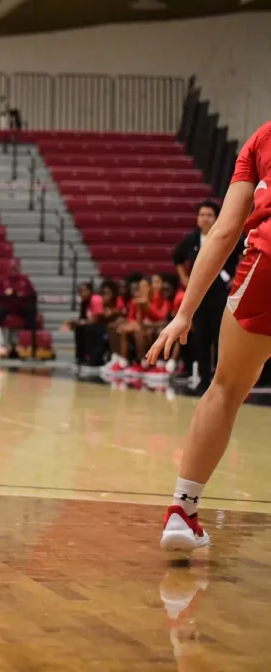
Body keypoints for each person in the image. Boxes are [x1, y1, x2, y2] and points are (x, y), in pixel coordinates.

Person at [148, 121, 271, 556]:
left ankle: (182, 512)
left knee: (225, 388)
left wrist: (184, 314)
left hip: (266, 263)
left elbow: (222, 233)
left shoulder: (261, 138)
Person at [173, 200, 243, 382]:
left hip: (221, 293)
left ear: (216, 218)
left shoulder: (227, 235)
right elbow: (177, 259)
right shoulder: (191, 239)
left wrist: (237, 276)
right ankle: (203, 379)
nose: (205, 219)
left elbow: (245, 253)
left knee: (220, 336)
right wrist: (184, 278)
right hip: (199, 295)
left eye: (209, 215)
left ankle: (222, 380)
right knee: (201, 337)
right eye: (202, 215)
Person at [64, 282, 107, 367]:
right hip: (92, 325)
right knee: (79, 328)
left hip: (102, 327)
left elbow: (100, 318)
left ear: (90, 291)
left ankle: (93, 358)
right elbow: (85, 319)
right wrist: (76, 322)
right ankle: (81, 357)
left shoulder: (95, 299)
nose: (82, 293)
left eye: (85, 290)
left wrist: (83, 322)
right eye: (80, 291)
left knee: (88, 329)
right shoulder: (85, 302)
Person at [0, 260, 37, 333]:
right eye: (12, 268)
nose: (13, 270)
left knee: (31, 309)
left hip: (21, 305)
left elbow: (33, 295)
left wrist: (22, 294)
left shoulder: (24, 280)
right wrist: (4, 293)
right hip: (6, 305)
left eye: (15, 268)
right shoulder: (2, 280)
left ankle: (28, 336)